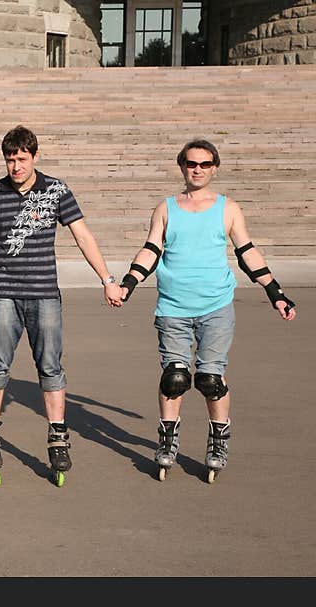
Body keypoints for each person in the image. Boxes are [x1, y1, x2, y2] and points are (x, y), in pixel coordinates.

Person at [0, 125, 123, 486]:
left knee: (50, 367)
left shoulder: (56, 190)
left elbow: (82, 235)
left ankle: (57, 436)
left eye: (22, 159)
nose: (16, 167)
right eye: (10, 160)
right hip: (4, 293)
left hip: (44, 294)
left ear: (35, 157)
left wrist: (107, 279)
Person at [118, 139, 297, 483]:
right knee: (175, 377)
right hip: (173, 306)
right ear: (182, 166)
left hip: (215, 305)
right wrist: (128, 283)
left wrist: (276, 293)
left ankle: (218, 441)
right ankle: (167, 440)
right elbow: (151, 250)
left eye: (204, 164)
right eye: (190, 163)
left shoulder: (228, 208)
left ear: (214, 167)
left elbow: (247, 253)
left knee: (210, 379)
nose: (197, 169)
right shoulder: (166, 208)